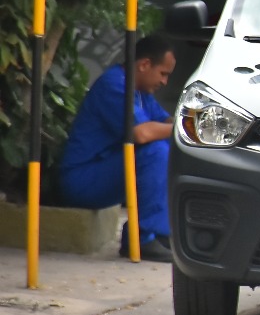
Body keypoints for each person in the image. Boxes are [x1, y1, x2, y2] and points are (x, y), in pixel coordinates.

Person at [60, 33, 177, 262]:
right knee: (155, 151)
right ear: (144, 65)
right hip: (82, 179)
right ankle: (141, 239)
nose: (165, 82)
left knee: (169, 145)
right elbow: (141, 133)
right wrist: (188, 128)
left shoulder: (140, 91)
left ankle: (159, 233)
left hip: (104, 173)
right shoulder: (114, 85)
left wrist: (191, 120)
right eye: (163, 74)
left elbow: (164, 123)